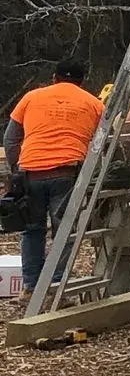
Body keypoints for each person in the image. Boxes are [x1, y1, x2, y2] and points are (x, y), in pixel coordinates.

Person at [4, 63, 105, 293]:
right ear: (82, 80)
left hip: (30, 173)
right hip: (66, 174)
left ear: (53, 78)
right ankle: (57, 285)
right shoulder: (94, 103)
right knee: (64, 231)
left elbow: (10, 139)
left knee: (31, 229)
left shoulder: (31, 97)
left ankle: (30, 287)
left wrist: (16, 169)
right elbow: (101, 144)